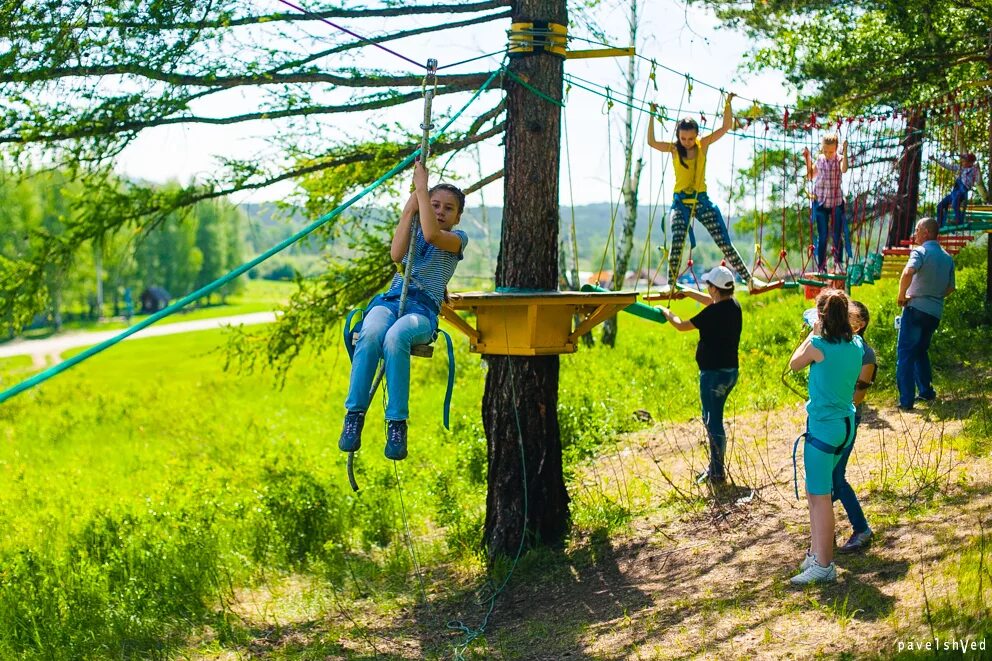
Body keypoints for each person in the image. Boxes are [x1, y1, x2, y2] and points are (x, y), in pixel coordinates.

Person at [338, 161, 467, 460]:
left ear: (458, 217)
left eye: (448, 208)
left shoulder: (457, 240)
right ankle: (353, 416)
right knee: (370, 332)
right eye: (434, 204)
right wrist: (411, 206)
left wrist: (422, 189)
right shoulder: (414, 230)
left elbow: (434, 235)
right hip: (392, 300)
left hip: (421, 310)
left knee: (397, 337)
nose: (439, 211)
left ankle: (396, 422)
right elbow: (396, 255)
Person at [647, 95, 775, 294]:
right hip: (680, 203)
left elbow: (725, 127)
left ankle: (749, 280)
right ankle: (670, 284)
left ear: (697, 135)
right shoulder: (673, 149)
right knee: (677, 241)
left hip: (701, 201)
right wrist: (652, 115)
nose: (687, 142)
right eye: (683, 138)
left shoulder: (702, 145)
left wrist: (728, 104)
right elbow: (652, 142)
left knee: (724, 242)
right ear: (678, 136)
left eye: (690, 138)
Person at [789, 289, 864, 584]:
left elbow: (795, 363)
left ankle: (823, 564)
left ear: (822, 317)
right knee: (816, 493)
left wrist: (813, 331)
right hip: (846, 425)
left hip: (824, 429)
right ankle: (816, 552)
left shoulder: (818, 345)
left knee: (819, 498)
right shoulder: (856, 343)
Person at [656, 265, 742, 484]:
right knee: (714, 419)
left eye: (708, 286)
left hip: (713, 375)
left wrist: (666, 313)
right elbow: (711, 302)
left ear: (715, 289)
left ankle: (717, 472)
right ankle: (715, 467)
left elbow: (681, 325)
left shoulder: (712, 313)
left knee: (713, 422)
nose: (707, 289)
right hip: (730, 372)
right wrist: (687, 291)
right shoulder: (733, 305)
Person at [896, 217, 955, 411]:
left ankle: (906, 401)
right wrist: (934, 295)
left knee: (905, 353)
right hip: (934, 313)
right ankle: (926, 391)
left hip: (915, 309)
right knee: (920, 350)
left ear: (927, 232)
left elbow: (908, 272)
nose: (915, 233)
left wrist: (902, 295)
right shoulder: (947, 257)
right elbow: (950, 288)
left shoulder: (920, 251)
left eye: (918, 229)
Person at [833, 300, 877, 554]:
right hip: (830, 419)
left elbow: (857, 397)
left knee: (836, 478)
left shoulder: (865, 354)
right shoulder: (838, 346)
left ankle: (862, 529)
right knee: (827, 480)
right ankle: (823, 530)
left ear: (859, 324)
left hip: (846, 419)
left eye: (848, 316)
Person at [803, 134, 849, 273]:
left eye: (831, 151)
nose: (828, 154)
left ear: (836, 148)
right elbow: (810, 175)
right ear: (822, 149)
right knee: (822, 235)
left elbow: (844, 169)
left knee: (837, 234)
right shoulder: (820, 159)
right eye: (826, 151)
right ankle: (821, 267)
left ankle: (838, 263)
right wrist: (807, 159)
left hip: (836, 202)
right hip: (821, 202)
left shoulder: (839, 159)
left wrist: (845, 152)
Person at [931, 153, 980, 227]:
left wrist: (978, 171)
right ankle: (939, 224)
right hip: (955, 192)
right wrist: (935, 160)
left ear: (970, 162)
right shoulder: (960, 168)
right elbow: (948, 166)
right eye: (962, 160)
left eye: (965, 161)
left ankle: (958, 221)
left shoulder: (974, 170)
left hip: (962, 191)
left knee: (954, 203)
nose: (962, 162)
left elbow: (978, 181)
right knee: (940, 206)